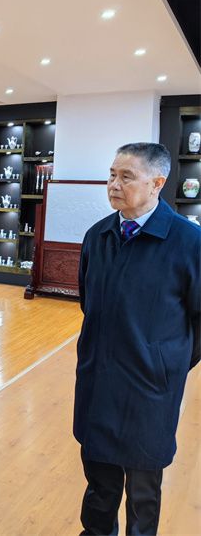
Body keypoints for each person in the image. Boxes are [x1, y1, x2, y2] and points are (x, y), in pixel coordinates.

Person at [75, 142, 200, 535]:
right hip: (98, 380)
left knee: (144, 491)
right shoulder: (98, 236)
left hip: (150, 389)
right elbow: (88, 303)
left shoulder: (189, 243)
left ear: (157, 183)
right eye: (112, 175)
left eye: (126, 176)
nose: (114, 184)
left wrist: (165, 362)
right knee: (99, 485)